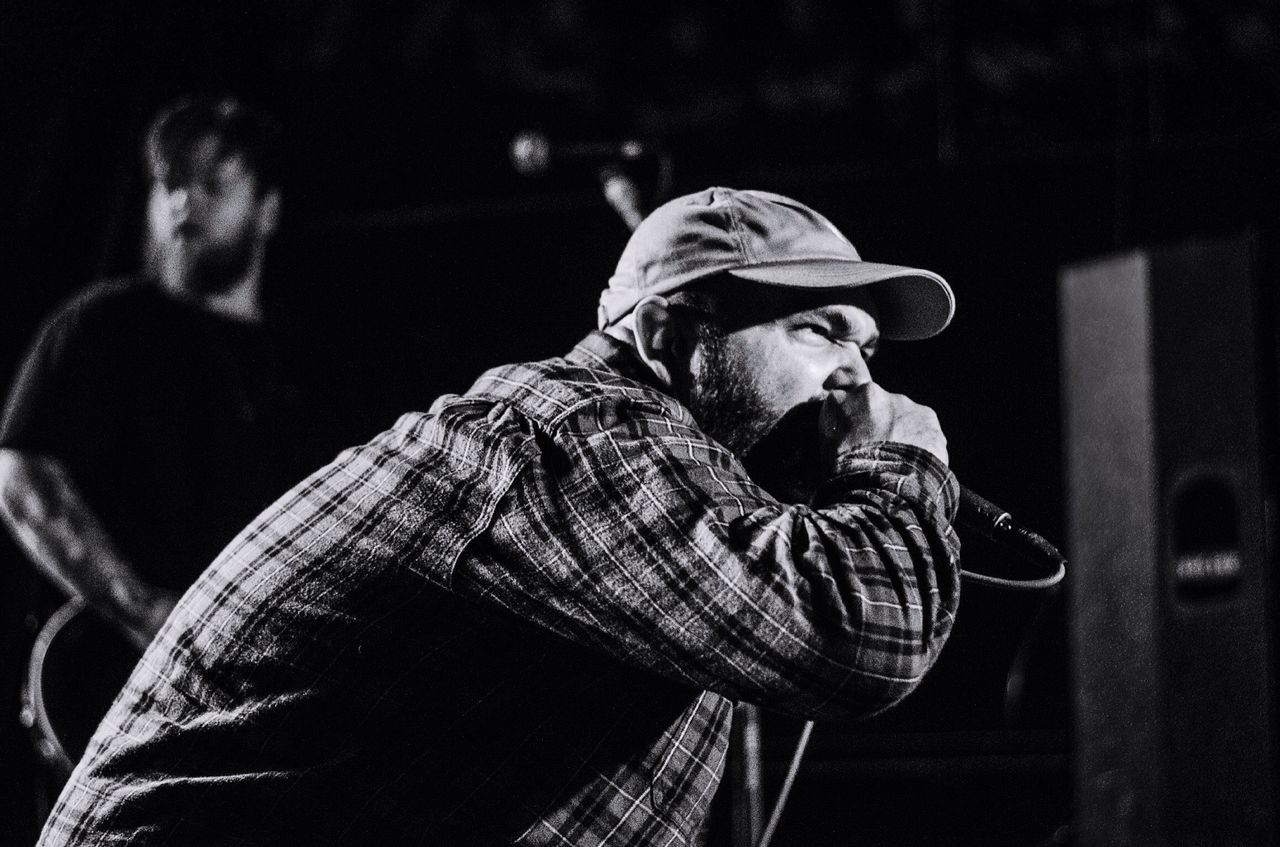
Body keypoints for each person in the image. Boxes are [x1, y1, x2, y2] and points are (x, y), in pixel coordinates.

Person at [35, 187, 962, 846]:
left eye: (868, 346)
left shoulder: (684, 523)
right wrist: (903, 467)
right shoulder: (574, 436)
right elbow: (857, 631)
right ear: (669, 337)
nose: (859, 382)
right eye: (820, 331)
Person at [0, 95, 323, 659]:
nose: (183, 200)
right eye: (169, 183)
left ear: (267, 212)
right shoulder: (106, 321)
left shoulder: (296, 363)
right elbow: (21, 479)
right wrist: (145, 611)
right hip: (109, 671)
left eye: (212, 184)